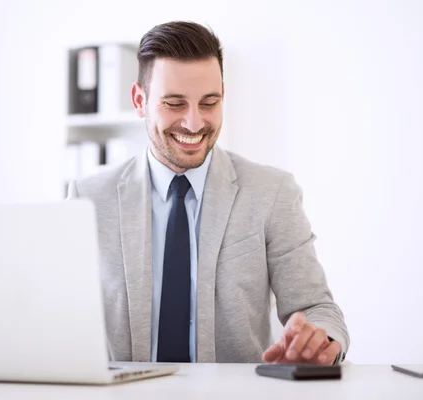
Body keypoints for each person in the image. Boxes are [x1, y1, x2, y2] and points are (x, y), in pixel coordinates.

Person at [67, 20, 349, 365]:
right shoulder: (89, 197)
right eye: (174, 103)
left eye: (208, 103)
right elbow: (60, 314)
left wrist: (319, 341)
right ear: (140, 101)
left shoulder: (272, 193)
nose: (194, 123)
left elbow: (318, 308)